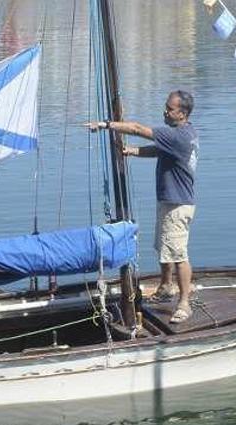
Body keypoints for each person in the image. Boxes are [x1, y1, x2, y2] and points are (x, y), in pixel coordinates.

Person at [86, 90, 199, 324]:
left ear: (182, 113)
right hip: (170, 201)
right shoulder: (182, 133)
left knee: (178, 253)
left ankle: (184, 303)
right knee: (164, 247)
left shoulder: (177, 136)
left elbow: (137, 128)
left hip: (177, 205)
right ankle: (167, 286)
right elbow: (159, 151)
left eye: (169, 108)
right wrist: (133, 152)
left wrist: (107, 124)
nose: (165, 111)